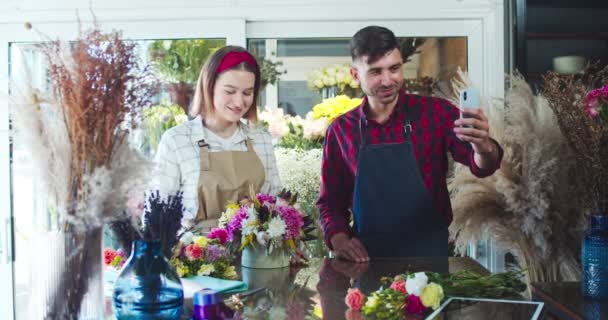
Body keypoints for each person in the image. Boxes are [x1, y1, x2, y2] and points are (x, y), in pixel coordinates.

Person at [316, 26, 503, 261]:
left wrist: (483, 145)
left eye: (394, 69)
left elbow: (483, 167)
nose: (387, 81)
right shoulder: (341, 130)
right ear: (355, 75)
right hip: (365, 260)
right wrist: (340, 241)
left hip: (430, 255)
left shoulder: (436, 113)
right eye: (375, 72)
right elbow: (330, 202)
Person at [151, 45, 282, 231]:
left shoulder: (261, 140)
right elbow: (157, 213)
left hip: (253, 256)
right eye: (229, 91)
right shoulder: (177, 140)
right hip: (194, 255)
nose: (239, 102)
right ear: (209, 87)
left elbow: (275, 202)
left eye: (247, 93)